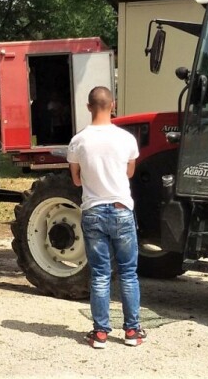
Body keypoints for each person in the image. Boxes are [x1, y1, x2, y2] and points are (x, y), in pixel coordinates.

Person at [67, 86, 145, 349]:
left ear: (89, 107)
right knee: (128, 273)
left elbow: (76, 179)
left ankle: (100, 333)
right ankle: (132, 331)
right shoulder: (126, 139)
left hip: (93, 211)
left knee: (100, 274)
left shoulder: (78, 141)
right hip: (122, 209)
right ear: (113, 105)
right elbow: (130, 173)